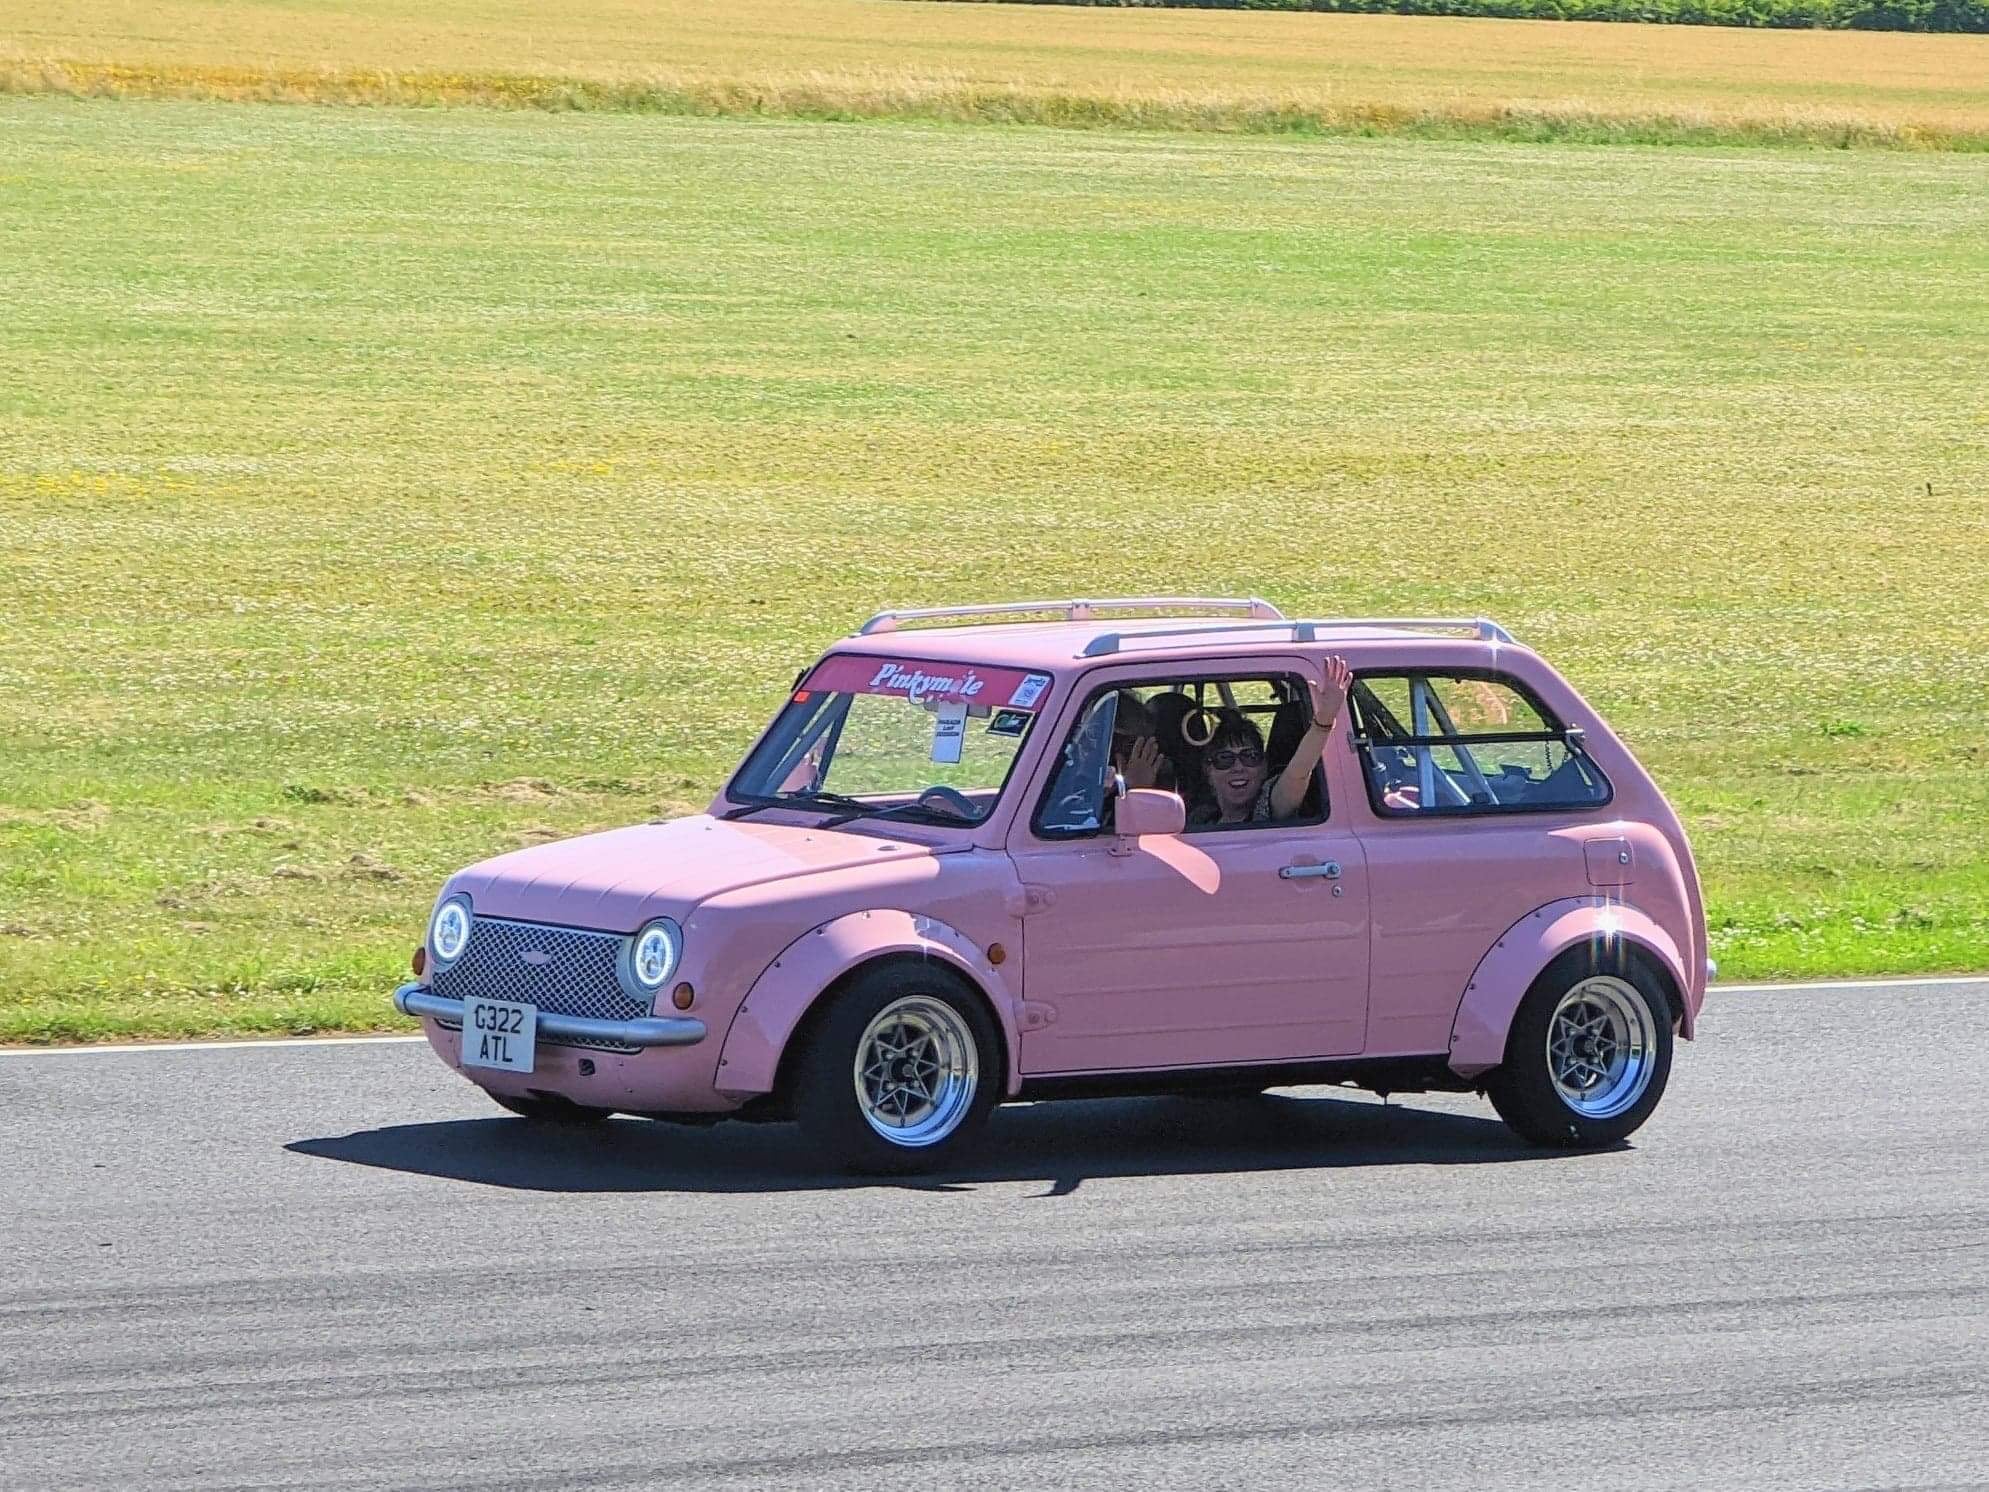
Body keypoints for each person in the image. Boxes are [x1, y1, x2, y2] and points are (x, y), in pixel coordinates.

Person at [1188, 657, 1353, 827]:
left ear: (1264, 767)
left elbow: (1298, 774)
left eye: (1250, 757)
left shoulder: (1267, 810)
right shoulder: (1199, 819)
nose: (1238, 767)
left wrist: (1324, 721)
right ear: (1208, 771)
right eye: (1224, 759)